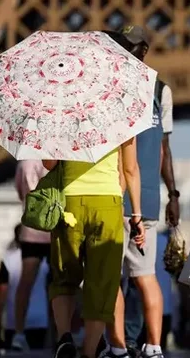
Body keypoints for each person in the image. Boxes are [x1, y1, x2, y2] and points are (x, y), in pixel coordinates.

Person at [99, 26, 177, 358]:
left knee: (119, 279)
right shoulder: (161, 91)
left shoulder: (112, 90)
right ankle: (153, 346)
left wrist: (174, 193)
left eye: (127, 47)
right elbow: (163, 148)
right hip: (143, 198)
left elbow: (158, 150)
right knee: (144, 276)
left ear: (143, 50)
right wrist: (170, 192)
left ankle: (120, 346)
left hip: (123, 197)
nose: (122, 52)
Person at [43, 128, 145, 358]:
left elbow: (49, 164)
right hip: (107, 202)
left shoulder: (61, 115)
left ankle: (64, 337)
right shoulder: (122, 117)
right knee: (103, 282)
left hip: (69, 203)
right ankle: (89, 352)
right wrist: (136, 213)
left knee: (63, 276)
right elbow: (130, 168)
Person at [9, 160, 51, 352]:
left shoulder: (25, 160)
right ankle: (64, 331)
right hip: (54, 228)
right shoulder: (57, 154)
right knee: (62, 284)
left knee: (25, 283)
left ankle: (19, 332)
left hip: (31, 228)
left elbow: (20, 192)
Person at [0, 224, 50, 350]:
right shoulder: (45, 263)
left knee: (25, 284)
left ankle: (19, 334)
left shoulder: (8, 259)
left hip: (14, 322)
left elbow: (2, 291)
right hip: (41, 319)